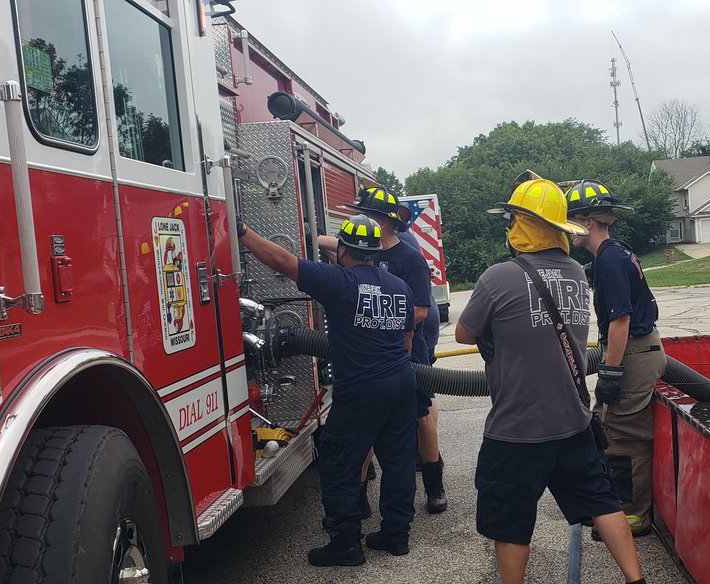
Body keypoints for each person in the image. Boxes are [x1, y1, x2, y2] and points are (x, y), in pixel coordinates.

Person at [456, 176, 646, 584]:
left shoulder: (498, 276)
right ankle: (636, 578)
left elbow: (463, 334)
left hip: (516, 428)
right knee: (602, 500)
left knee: (511, 523)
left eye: (513, 220)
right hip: (572, 420)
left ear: (522, 224)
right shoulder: (578, 272)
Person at [239, 213, 418, 566]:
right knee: (398, 461)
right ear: (376, 251)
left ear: (342, 249)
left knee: (338, 462)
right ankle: (397, 536)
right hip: (401, 380)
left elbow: (282, 261)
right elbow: (407, 341)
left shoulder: (339, 281)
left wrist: (242, 231)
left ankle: (346, 544)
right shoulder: (400, 286)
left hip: (362, 388)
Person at [317, 187, 448, 514]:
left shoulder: (408, 258)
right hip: (368, 358)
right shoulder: (363, 251)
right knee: (368, 432)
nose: (358, 219)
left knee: (420, 418)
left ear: (385, 222)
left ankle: (435, 485)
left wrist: (380, 319)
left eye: (367, 215)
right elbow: (327, 243)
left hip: (406, 354)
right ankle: (359, 499)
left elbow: (420, 309)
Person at [565, 180, 667, 541]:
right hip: (635, 349)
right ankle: (619, 508)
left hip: (633, 351)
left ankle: (635, 516)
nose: (567, 228)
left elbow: (621, 319)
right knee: (611, 428)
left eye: (570, 220)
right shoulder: (615, 252)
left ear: (588, 222)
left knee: (627, 436)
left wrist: (610, 371)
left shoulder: (608, 258)